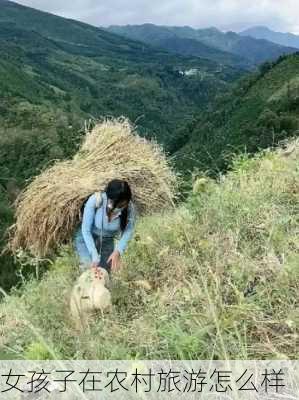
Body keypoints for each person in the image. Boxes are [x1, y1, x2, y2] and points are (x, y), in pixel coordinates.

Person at [74, 179, 136, 277]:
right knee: (87, 270)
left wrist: (118, 251)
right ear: (111, 199)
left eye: (124, 204)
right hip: (87, 239)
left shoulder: (129, 208)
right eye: (120, 204)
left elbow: (129, 230)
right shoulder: (96, 200)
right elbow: (86, 230)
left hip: (107, 241)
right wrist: (94, 255)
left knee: (104, 274)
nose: (122, 207)